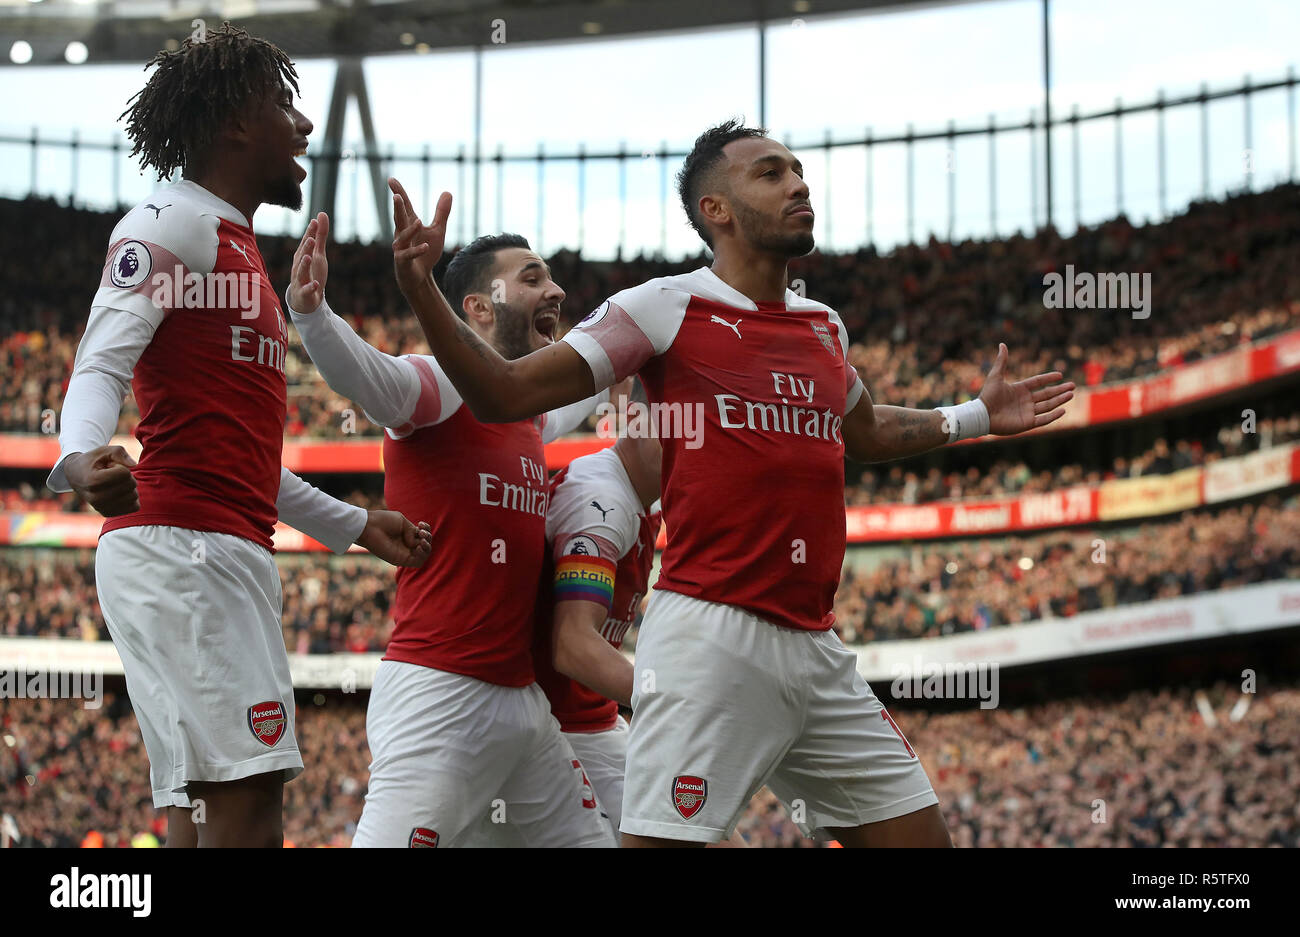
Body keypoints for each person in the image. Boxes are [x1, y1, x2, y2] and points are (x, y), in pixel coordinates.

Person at [384, 119, 1074, 846]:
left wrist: (973, 415)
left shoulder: (823, 327)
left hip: (816, 642)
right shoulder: (662, 306)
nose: (799, 184)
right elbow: (502, 392)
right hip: (710, 637)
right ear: (715, 210)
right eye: (771, 173)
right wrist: (422, 290)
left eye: (798, 170)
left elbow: (864, 434)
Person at [46, 25, 432, 848]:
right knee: (252, 799)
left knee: (200, 808)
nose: (304, 127)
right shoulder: (172, 221)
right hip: (186, 549)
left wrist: (355, 524)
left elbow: (247, 463)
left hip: (206, 542)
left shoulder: (234, 244)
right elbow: (100, 361)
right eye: (283, 106)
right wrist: (79, 457)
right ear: (231, 122)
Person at [287, 219, 615, 847]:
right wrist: (313, 314)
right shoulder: (438, 387)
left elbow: (592, 372)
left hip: (522, 705)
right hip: (441, 695)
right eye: (532, 277)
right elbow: (370, 380)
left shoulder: (526, 411)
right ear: (478, 307)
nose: (556, 292)